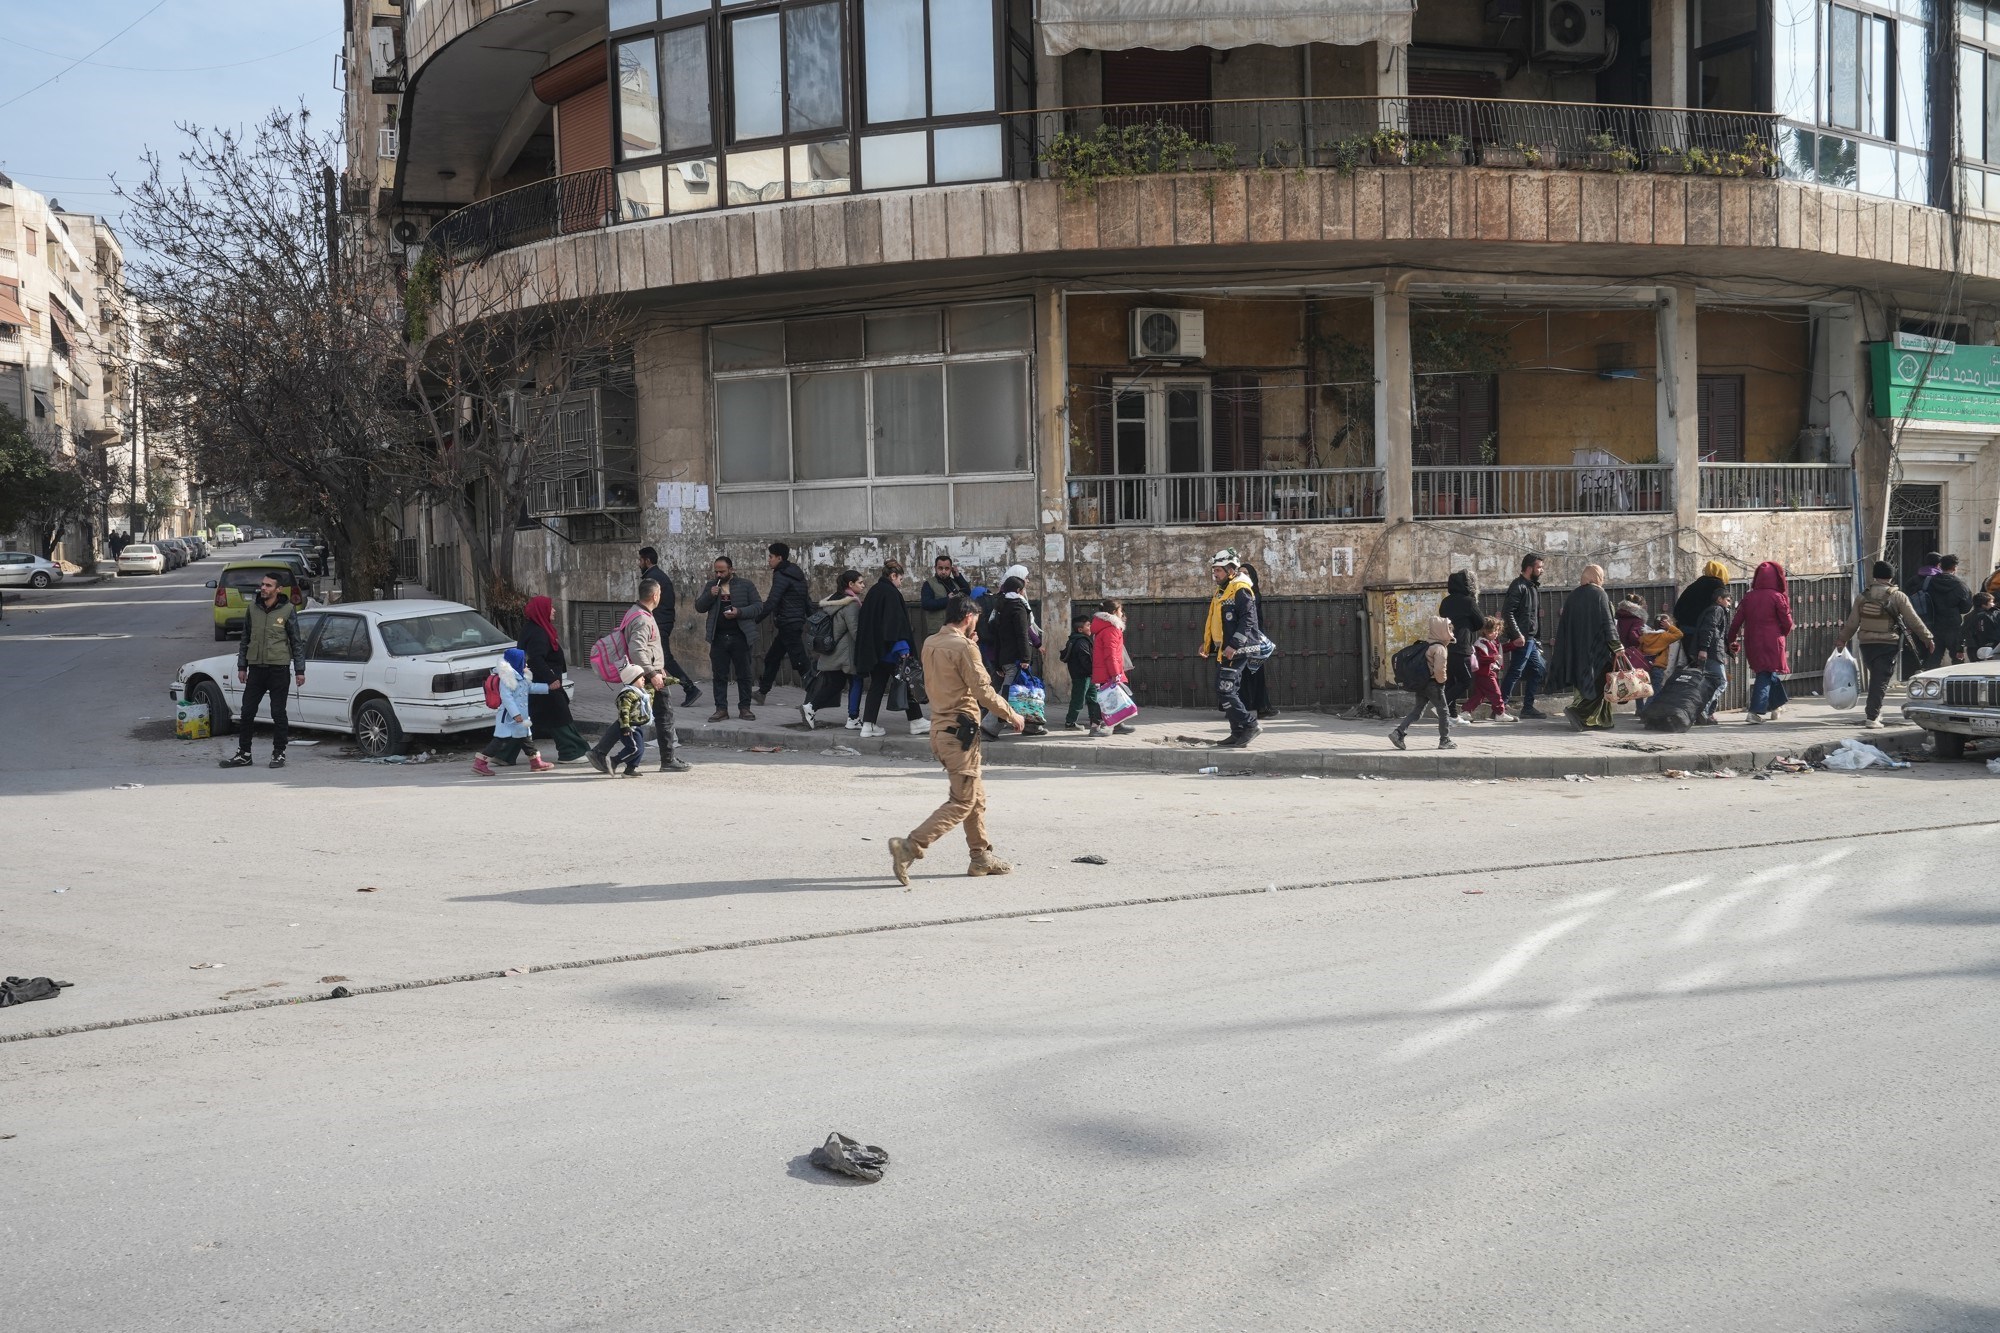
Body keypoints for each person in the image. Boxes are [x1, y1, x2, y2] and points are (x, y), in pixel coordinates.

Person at [887, 594, 1025, 887]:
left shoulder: (930, 643)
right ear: (967, 618)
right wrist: (1012, 714)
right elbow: (983, 691)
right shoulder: (963, 647)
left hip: (940, 730)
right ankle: (911, 845)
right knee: (963, 801)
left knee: (976, 798)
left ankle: (980, 857)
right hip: (959, 734)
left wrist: (970, 644)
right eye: (974, 619)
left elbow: (949, 676)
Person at [591, 579, 689, 773]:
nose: (660, 596)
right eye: (659, 593)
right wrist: (653, 673)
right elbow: (637, 649)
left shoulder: (634, 612)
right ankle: (667, 760)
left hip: (645, 673)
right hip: (648, 676)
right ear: (655, 596)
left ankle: (599, 752)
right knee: (664, 716)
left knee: (636, 716)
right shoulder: (642, 619)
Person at [219, 572, 305, 770]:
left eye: (268, 585)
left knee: (278, 713)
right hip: (256, 669)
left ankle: (278, 753)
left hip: (279, 669)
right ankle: (244, 754)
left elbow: (296, 642)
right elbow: (245, 639)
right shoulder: (253, 608)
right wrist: (242, 666)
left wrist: (300, 670)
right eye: (263, 585)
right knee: (247, 712)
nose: (263, 588)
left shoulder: (288, 610)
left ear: (278, 589)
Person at [1837, 560, 1934, 729]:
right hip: (1888, 643)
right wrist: (1927, 637)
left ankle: (1874, 712)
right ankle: (1872, 717)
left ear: (1875, 575)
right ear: (1891, 577)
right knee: (1879, 681)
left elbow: (1852, 622)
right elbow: (1913, 619)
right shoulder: (1897, 596)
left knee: (1876, 677)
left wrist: (1842, 639)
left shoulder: (1863, 596)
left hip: (1866, 644)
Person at [854, 560, 927, 738]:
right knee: (907, 681)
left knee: (877, 687)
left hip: (875, 651)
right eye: (900, 579)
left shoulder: (874, 592)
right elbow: (895, 624)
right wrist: (903, 648)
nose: (900, 583)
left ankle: (868, 725)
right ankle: (916, 721)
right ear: (893, 576)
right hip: (891, 651)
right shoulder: (891, 593)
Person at [1199, 549, 1261, 748]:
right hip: (1223, 649)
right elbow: (1216, 621)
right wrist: (1207, 644)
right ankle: (1237, 733)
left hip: (1236, 650)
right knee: (1225, 689)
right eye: (1214, 570)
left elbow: (1248, 619)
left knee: (1225, 690)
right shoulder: (1222, 589)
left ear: (1230, 569)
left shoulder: (1240, 588)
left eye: (1218, 570)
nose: (1215, 574)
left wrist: (1234, 644)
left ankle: (1249, 725)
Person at [518, 595, 589, 763]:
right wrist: (551, 679)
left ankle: (501, 753)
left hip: (541, 682)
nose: (554, 610)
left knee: (530, 719)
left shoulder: (534, 628)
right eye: (551, 607)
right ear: (542, 610)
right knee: (559, 715)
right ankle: (570, 752)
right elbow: (536, 659)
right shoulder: (538, 633)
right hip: (545, 684)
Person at [693, 555, 764, 722]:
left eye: (722, 571)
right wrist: (710, 595)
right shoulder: (712, 586)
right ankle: (721, 709)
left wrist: (739, 612)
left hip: (740, 636)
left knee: (744, 674)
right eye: (716, 571)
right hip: (718, 636)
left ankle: (745, 708)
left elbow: (758, 606)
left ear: (731, 570)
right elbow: (699, 607)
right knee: (719, 674)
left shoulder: (745, 585)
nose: (718, 575)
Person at [1552, 564, 1620, 731]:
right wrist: (1617, 646)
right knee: (1601, 685)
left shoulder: (1574, 595)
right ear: (1596, 576)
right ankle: (1578, 712)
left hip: (1577, 650)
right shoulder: (1599, 593)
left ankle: (1599, 720)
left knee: (1586, 686)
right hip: (1598, 651)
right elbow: (1607, 622)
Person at [1727, 560, 1795, 722]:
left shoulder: (1749, 597)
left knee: (1766, 671)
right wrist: (1781, 634)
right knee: (1765, 674)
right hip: (1773, 641)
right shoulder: (1777, 597)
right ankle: (1756, 711)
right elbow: (1787, 623)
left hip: (1753, 640)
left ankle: (1778, 705)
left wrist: (1731, 639)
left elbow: (1736, 622)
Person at [472, 648, 555, 776]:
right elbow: (507, 698)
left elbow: (530, 687)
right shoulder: (507, 679)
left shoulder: (521, 677)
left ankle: (535, 762)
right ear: (516, 662)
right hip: (509, 717)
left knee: (526, 739)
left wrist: (547, 687)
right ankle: (480, 763)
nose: (526, 664)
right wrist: (515, 714)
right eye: (523, 662)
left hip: (520, 717)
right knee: (500, 741)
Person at [981, 574, 1046, 736]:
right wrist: (1026, 658)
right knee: (1008, 694)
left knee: (1023, 691)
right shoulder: (1018, 606)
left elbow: (996, 638)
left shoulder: (1000, 607)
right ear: (1019, 590)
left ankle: (1031, 725)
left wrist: (997, 664)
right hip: (1016, 658)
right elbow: (1022, 634)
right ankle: (989, 727)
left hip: (1004, 658)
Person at [637, 547, 700, 708]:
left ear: (647, 560)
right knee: (654, 659)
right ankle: (653, 693)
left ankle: (689, 687)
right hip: (660, 622)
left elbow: (650, 604)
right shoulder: (656, 576)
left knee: (664, 658)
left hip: (658, 623)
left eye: (640, 560)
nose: (639, 563)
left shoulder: (653, 579)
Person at [802, 569, 863, 730]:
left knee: (835, 684)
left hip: (830, 650)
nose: (863, 586)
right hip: (846, 652)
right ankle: (853, 718)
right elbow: (855, 630)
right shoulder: (851, 604)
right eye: (860, 582)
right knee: (856, 680)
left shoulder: (832, 601)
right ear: (851, 584)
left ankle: (812, 707)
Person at [754, 541, 814, 704]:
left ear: (779, 558)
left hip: (788, 623)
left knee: (800, 662)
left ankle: (815, 695)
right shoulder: (796, 573)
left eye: (771, 557)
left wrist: (756, 620)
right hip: (793, 622)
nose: (769, 560)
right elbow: (805, 599)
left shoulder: (782, 575)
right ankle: (762, 692)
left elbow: (773, 600)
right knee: (772, 658)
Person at [1389, 615, 1455, 750]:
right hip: (1433, 684)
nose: (1451, 633)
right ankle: (1445, 740)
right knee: (1444, 712)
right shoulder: (1440, 648)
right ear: (1442, 631)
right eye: (1449, 630)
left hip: (1422, 684)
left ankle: (1399, 732)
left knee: (1417, 711)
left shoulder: (1427, 645)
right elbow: (1439, 670)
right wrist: (1442, 682)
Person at [1500, 553, 1548, 719]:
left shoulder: (1531, 586)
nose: (1541, 570)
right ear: (1529, 568)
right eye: (1539, 567)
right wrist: (1517, 635)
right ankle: (1500, 706)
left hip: (1531, 639)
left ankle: (1527, 707)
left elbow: (1533, 615)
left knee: (1538, 669)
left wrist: (1537, 638)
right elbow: (1508, 612)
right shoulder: (1518, 586)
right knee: (1515, 671)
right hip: (1523, 638)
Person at [1438, 569, 1483, 719]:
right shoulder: (1468, 602)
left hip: (1446, 646)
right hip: (1462, 645)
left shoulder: (1446, 601)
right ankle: (1441, 705)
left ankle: (1452, 716)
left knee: (1450, 682)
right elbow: (1480, 622)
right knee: (1465, 681)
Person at [1686, 585, 1733, 726]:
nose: (1729, 603)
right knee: (1721, 682)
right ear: (1719, 599)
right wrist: (1704, 648)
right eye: (1728, 600)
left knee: (1711, 684)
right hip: (1712, 652)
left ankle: (1707, 714)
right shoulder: (1717, 610)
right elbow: (1709, 630)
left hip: (1712, 651)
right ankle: (1703, 711)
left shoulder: (1713, 610)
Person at [1090, 598, 1134, 738]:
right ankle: (1095, 727)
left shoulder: (1104, 627)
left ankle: (1118, 724)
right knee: (1105, 699)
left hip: (1105, 670)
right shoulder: (1111, 629)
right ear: (1114, 612)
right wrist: (1115, 673)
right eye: (1121, 611)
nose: (1122, 614)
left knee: (1114, 697)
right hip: (1109, 671)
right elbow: (1111, 654)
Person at [604, 665, 658, 777]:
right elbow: (623, 712)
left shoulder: (642, 692)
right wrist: (625, 726)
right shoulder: (627, 694)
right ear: (632, 680)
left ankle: (630, 770)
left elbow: (659, 683)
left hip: (637, 727)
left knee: (640, 749)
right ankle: (613, 761)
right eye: (640, 677)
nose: (644, 679)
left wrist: (679, 680)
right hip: (629, 727)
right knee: (635, 749)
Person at [1239, 564, 1278, 720]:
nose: (1243, 576)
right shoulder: (1239, 593)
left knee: (1256, 672)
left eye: (1246, 573)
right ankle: (1241, 708)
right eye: (1240, 573)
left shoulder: (1253, 594)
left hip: (1254, 639)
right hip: (1242, 639)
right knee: (1239, 673)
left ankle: (1261, 707)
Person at [1921, 553, 1973, 668]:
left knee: (1933, 659)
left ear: (1940, 566)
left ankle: (1931, 684)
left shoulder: (1929, 582)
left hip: (1933, 625)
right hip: (1953, 625)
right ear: (1954, 568)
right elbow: (1966, 607)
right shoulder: (1960, 585)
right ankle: (1957, 684)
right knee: (1957, 659)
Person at [1465, 616, 1516, 723]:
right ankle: (1500, 713)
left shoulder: (1491, 642)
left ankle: (1465, 712)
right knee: (1496, 693)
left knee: (1479, 695)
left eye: (1497, 631)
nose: (1496, 633)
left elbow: (1501, 649)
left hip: (1486, 673)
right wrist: (1493, 658)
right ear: (1485, 631)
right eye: (1493, 631)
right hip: (1486, 673)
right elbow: (1480, 658)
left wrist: (1513, 645)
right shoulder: (1481, 644)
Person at [1058, 611, 1103, 731]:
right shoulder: (1081, 642)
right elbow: (1086, 661)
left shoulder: (1078, 640)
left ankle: (1095, 720)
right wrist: (1094, 671)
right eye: (1088, 625)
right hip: (1082, 676)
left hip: (1088, 675)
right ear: (1080, 629)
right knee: (1078, 699)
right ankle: (1070, 722)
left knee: (1093, 698)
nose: (1091, 627)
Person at [918, 553, 972, 640]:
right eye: (940, 568)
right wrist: (947, 600)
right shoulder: (929, 584)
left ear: (951, 569)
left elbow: (967, 592)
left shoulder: (955, 582)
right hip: (938, 631)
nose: (943, 571)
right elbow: (926, 604)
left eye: (947, 568)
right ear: (935, 568)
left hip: (956, 630)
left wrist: (958, 576)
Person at [1672, 559, 1731, 635]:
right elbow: (1722, 613)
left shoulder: (1694, 586)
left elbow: (1678, 609)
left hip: (1686, 629)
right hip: (1705, 632)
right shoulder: (1719, 588)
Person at [1638, 612, 1682, 707]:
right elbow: (1679, 634)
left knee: (1641, 689)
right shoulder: (1664, 636)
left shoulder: (1646, 635)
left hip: (1645, 666)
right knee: (1655, 690)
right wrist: (1669, 627)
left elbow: (1639, 649)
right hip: (1658, 666)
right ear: (1665, 624)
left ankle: (1640, 709)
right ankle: (1646, 711)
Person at [1967, 592, 2000, 659]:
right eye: (1991, 602)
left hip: (1975, 650)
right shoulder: (1993, 614)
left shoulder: (1969, 616)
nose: (1993, 604)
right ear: (1984, 604)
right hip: (1993, 648)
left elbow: (1964, 632)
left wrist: (1959, 648)